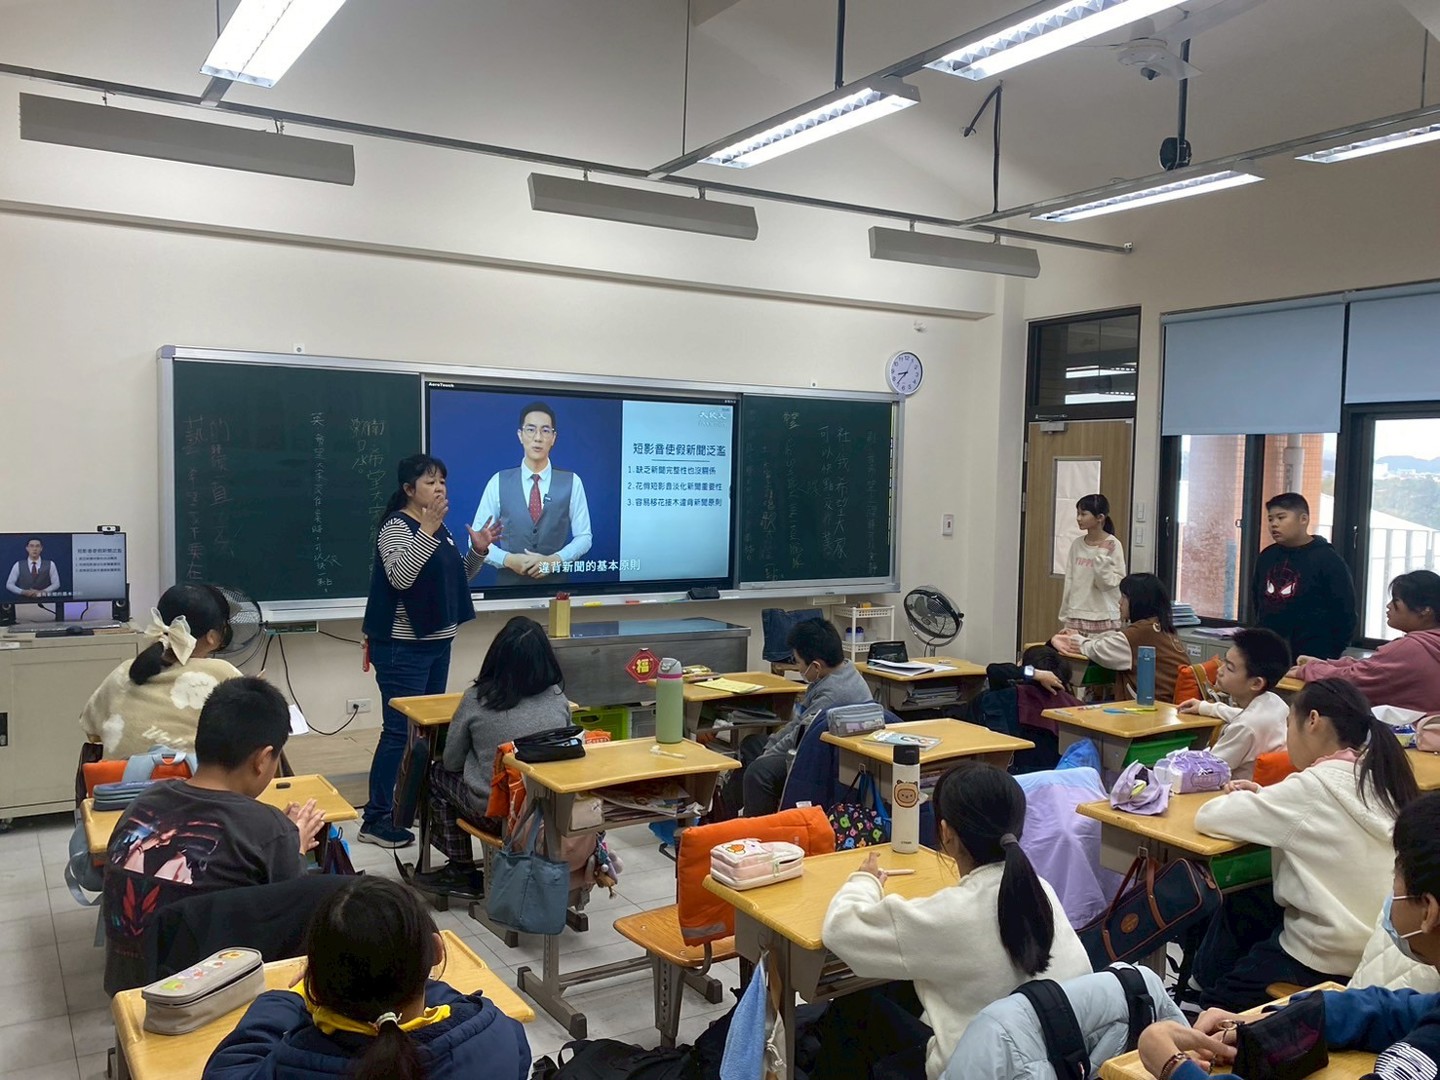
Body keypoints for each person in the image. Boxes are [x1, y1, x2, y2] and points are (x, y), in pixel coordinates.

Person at [814, 761, 1092, 1080]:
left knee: (857, 1004)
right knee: (902, 987)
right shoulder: (1040, 890)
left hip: (984, 1069)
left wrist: (865, 881)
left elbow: (840, 929)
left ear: (947, 834)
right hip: (1062, 1061)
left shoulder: (948, 915)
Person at [1138, 792, 1440, 1080]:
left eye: (1396, 877)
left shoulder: (1427, 1051)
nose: (1391, 892)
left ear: (1428, 911)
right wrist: (1275, 1019)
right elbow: (1392, 1010)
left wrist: (1173, 1066)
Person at [1190, 678, 1420, 1012]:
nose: (1287, 738)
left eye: (1289, 725)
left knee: (1216, 1004)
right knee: (1252, 903)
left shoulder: (1312, 787)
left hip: (1325, 957)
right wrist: (1265, 796)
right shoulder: (1380, 778)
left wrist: (1252, 798)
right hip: (1381, 947)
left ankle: (1199, 998)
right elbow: (1311, 813)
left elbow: (1209, 817)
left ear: (1312, 720)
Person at [103, 677, 326, 994]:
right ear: (263, 759)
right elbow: (292, 917)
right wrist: (295, 845)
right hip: (199, 997)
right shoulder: (270, 830)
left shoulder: (142, 804)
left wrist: (286, 837)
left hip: (126, 988)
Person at [204, 877, 531, 1080]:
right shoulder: (497, 1033)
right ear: (436, 952)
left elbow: (226, 1070)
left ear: (317, 981)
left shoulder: (291, 1063)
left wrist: (286, 999)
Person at [360, 454, 500, 849]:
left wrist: (478, 551)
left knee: (428, 731)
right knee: (398, 733)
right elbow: (401, 578)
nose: (439, 488)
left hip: (437, 644)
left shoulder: (438, 528)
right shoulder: (397, 527)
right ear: (409, 489)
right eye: (429, 482)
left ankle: (415, 806)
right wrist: (426, 530)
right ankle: (376, 818)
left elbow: (454, 579)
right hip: (402, 648)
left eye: (442, 482)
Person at [423, 616, 571, 894]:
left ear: (496, 656)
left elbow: (452, 762)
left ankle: (460, 869)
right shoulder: (556, 697)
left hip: (497, 813)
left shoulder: (476, 698)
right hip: (551, 812)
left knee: (435, 775)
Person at [79, 583, 241, 758]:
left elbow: (90, 728)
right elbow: (253, 730)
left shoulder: (124, 670)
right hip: (190, 775)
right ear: (212, 636)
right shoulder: (224, 674)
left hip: (119, 775)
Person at [740, 618, 872, 817]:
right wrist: (770, 745)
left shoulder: (833, 694)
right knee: (752, 744)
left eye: (798, 662)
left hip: (824, 759)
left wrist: (767, 755)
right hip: (812, 745)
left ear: (816, 666)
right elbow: (798, 723)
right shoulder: (843, 670)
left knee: (758, 772)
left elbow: (798, 737)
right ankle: (731, 814)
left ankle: (757, 827)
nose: (798, 668)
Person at [471, 401, 592, 586]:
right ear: (520, 435)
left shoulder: (572, 482)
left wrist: (554, 560)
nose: (538, 438)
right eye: (531, 430)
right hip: (507, 591)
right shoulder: (498, 481)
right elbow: (476, 539)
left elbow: (584, 537)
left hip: (557, 590)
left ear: (553, 438)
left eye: (545, 430)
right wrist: (508, 559)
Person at [1291, 569, 1440, 713]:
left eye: (1396, 600)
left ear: (1425, 610)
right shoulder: (1430, 643)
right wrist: (1324, 664)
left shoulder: (1410, 648)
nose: (1388, 606)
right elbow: (1374, 668)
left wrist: (1309, 670)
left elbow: (1353, 680)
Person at [1053, 573, 1190, 704]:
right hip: (1170, 705)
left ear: (1139, 601)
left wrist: (1075, 640)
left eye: (1124, 597)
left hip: (1155, 707)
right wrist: (1083, 636)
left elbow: (1098, 649)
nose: (1119, 602)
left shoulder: (1139, 634)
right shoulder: (1159, 628)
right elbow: (1116, 639)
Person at [1251, 492, 1357, 661]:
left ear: (1303, 519)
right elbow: (1257, 600)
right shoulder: (1267, 556)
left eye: (1281, 517)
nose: (1274, 524)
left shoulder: (1327, 559)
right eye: (1270, 519)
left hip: (1313, 655)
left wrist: (1332, 652)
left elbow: (1344, 611)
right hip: (1268, 651)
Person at [1177, 627, 1291, 781]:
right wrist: (1204, 707)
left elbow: (1204, 771)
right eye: (1224, 661)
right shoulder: (1275, 703)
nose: (1220, 670)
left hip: (1229, 790)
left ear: (1256, 683)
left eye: (1230, 668)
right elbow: (1240, 715)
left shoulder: (1245, 727)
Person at [1058, 494, 1126, 633]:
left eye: (1083, 514)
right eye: (1078, 514)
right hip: (1077, 614)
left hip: (1103, 615)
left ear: (1100, 517)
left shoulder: (1113, 544)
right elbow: (1070, 581)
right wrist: (1065, 615)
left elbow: (1107, 583)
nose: (1078, 518)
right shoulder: (1077, 544)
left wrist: (1101, 554)